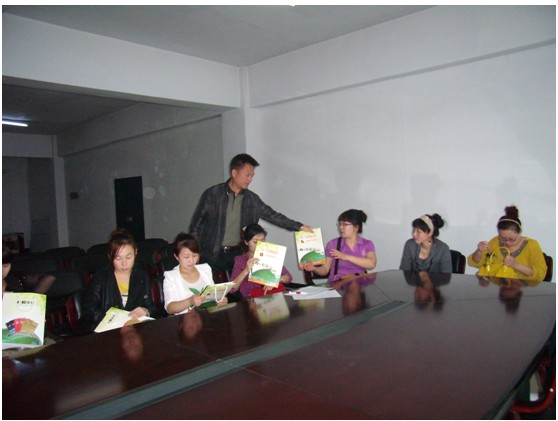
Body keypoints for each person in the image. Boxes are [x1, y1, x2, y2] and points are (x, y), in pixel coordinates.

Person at [189, 153, 312, 280]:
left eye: (252, 176)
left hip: (239, 254)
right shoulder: (213, 194)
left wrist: (299, 227)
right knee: (212, 290)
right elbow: (196, 226)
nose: (250, 179)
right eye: (247, 175)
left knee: (239, 289)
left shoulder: (252, 199)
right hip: (212, 253)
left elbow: (273, 216)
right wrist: (194, 252)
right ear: (234, 173)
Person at [81, 229, 158, 333]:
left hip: (135, 329)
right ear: (110, 256)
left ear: (135, 253)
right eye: (118, 259)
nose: (124, 263)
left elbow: (151, 306)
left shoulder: (141, 276)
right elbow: (89, 309)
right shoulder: (101, 277)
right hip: (107, 330)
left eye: (128, 257)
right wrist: (111, 320)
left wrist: (146, 311)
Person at [468, 205, 547, 282]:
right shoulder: (495, 241)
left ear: (520, 232)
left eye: (511, 239)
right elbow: (477, 263)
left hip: (523, 288)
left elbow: (540, 274)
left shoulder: (532, 245)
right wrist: (479, 251)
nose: (507, 243)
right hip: (496, 287)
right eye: (502, 238)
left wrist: (515, 265)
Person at [303, 209, 376, 283]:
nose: (341, 227)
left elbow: (371, 264)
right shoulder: (333, 244)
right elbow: (324, 270)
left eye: (345, 224)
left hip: (360, 282)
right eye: (340, 224)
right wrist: (314, 269)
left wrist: (345, 256)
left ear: (356, 227)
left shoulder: (366, 244)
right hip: (338, 283)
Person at [163, 232, 229, 315]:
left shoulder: (205, 270)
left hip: (208, 316)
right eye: (186, 257)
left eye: (194, 256)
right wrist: (189, 301)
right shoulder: (171, 277)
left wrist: (220, 301)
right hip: (185, 319)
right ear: (176, 257)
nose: (191, 260)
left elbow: (213, 296)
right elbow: (169, 308)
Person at [229, 223, 292, 298]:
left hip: (273, 296)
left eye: (263, 240)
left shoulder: (270, 255)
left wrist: (278, 280)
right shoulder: (241, 259)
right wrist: (246, 270)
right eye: (255, 242)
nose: (259, 244)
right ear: (246, 242)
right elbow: (232, 288)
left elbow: (288, 277)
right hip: (252, 299)